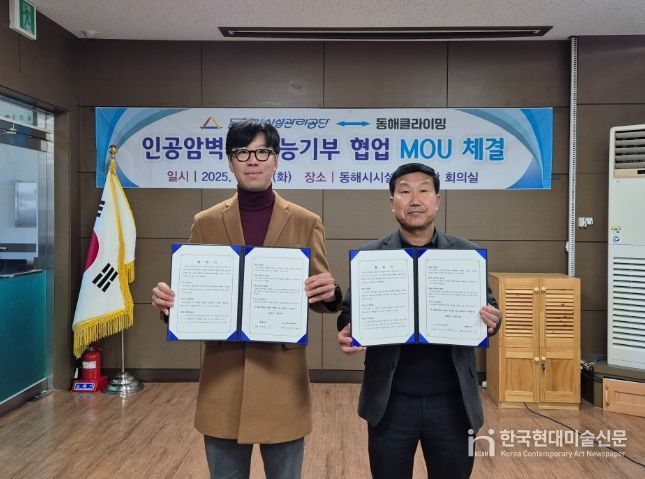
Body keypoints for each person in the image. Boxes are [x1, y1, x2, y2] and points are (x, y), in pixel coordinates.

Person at [152, 120, 341, 479]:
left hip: (281, 375)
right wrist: (169, 304)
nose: (252, 160)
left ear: (276, 160)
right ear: (230, 161)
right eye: (242, 152)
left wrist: (330, 295)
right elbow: (190, 294)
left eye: (262, 152)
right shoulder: (206, 221)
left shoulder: (306, 221)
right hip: (224, 375)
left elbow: (320, 294)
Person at [337, 162, 502, 479]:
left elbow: (490, 310)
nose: (415, 199)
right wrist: (347, 331)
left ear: (437, 200)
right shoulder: (371, 257)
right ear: (392, 203)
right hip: (390, 403)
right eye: (404, 191)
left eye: (424, 190)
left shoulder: (465, 254)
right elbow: (348, 313)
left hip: (453, 404)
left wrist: (494, 320)